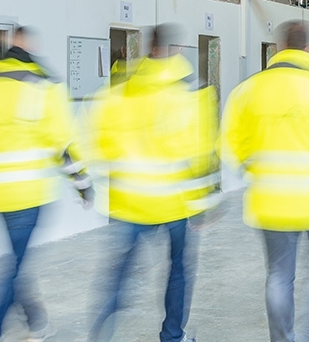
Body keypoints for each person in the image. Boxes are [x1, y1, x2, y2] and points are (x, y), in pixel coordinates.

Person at [0, 26, 91, 342]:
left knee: (14, 262)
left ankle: (36, 321)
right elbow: (63, 143)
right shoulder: (42, 87)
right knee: (12, 267)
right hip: (28, 195)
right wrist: (81, 182)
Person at [220, 20, 309, 342]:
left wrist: (254, 172)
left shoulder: (247, 90)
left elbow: (230, 145)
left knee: (278, 275)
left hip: (269, 202)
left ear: (278, 48)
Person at [88, 23, 218, 342]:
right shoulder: (193, 92)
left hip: (130, 202)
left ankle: (101, 334)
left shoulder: (121, 89)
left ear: (150, 47)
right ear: (177, 49)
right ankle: (172, 336)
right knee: (178, 272)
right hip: (175, 203)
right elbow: (202, 152)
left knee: (119, 275)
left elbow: (100, 141)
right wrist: (204, 203)